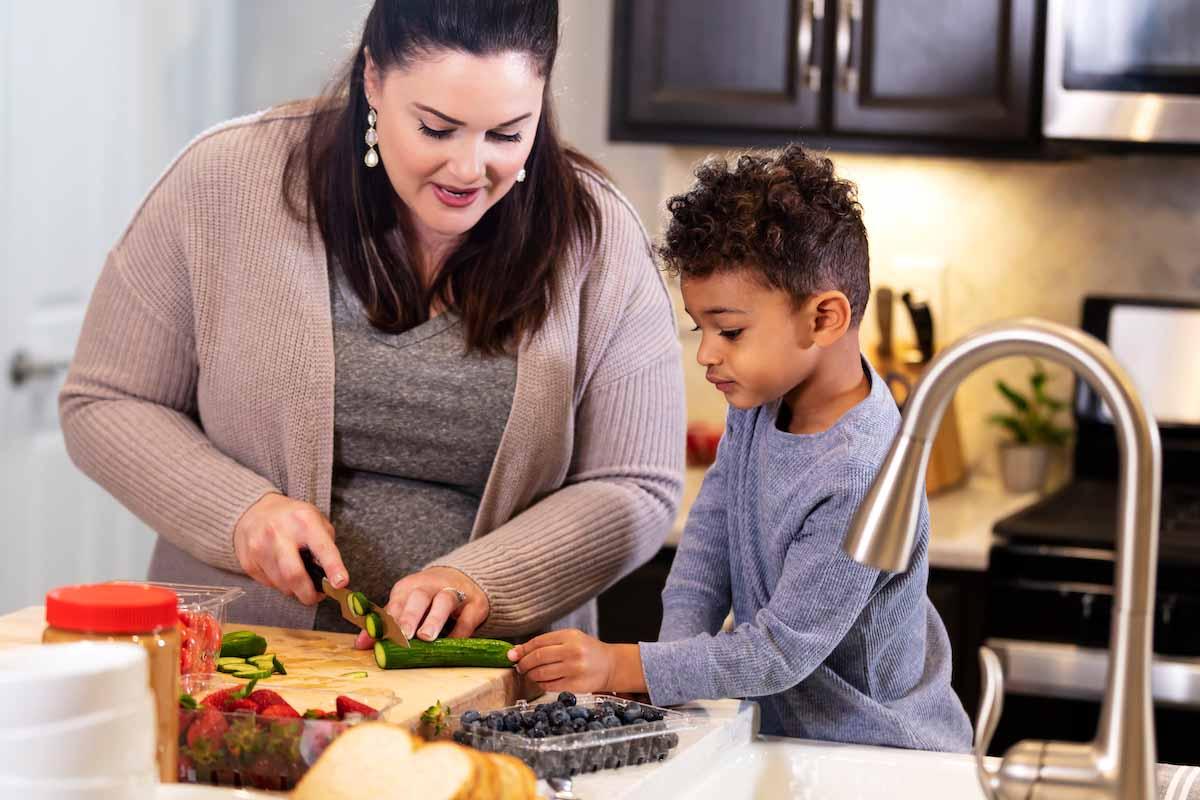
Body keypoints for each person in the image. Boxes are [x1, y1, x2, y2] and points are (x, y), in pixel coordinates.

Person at [59, 0, 683, 642]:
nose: (470, 169)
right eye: (437, 129)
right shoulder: (225, 179)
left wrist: (484, 582)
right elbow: (106, 400)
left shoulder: (596, 234)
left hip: (494, 693)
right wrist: (242, 513)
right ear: (374, 80)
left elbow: (636, 484)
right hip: (243, 675)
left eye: (506, 133)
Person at [508, 145, 973, 752]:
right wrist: (670, 671)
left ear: (824, 318)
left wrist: (629, 667)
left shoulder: (862, 472)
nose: (706, 353)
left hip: (882, 756)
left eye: (729, 330)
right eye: (700, 328)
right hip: (792, 746)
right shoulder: (759, 406)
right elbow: (709, 544)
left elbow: (780, 652)